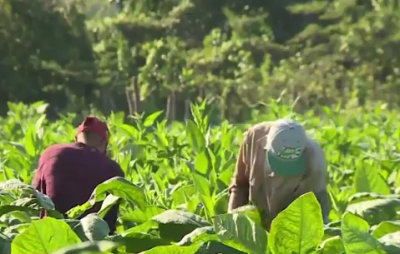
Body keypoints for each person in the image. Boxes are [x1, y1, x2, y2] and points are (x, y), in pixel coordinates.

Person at [227, 119, 329, 230]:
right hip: (255, 229)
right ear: (266, 145)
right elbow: (239, 185)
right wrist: (231, 225)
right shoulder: (254, 138)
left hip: (289, 231)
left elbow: (313, 211)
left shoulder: (314, 163)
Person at [32, 116, 124, 233]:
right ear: (104, 140)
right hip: (92, 243)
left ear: (76, 138)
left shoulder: (50, 153)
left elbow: (34, 198)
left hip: (51, 236)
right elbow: (110, 222)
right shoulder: (113, 170)